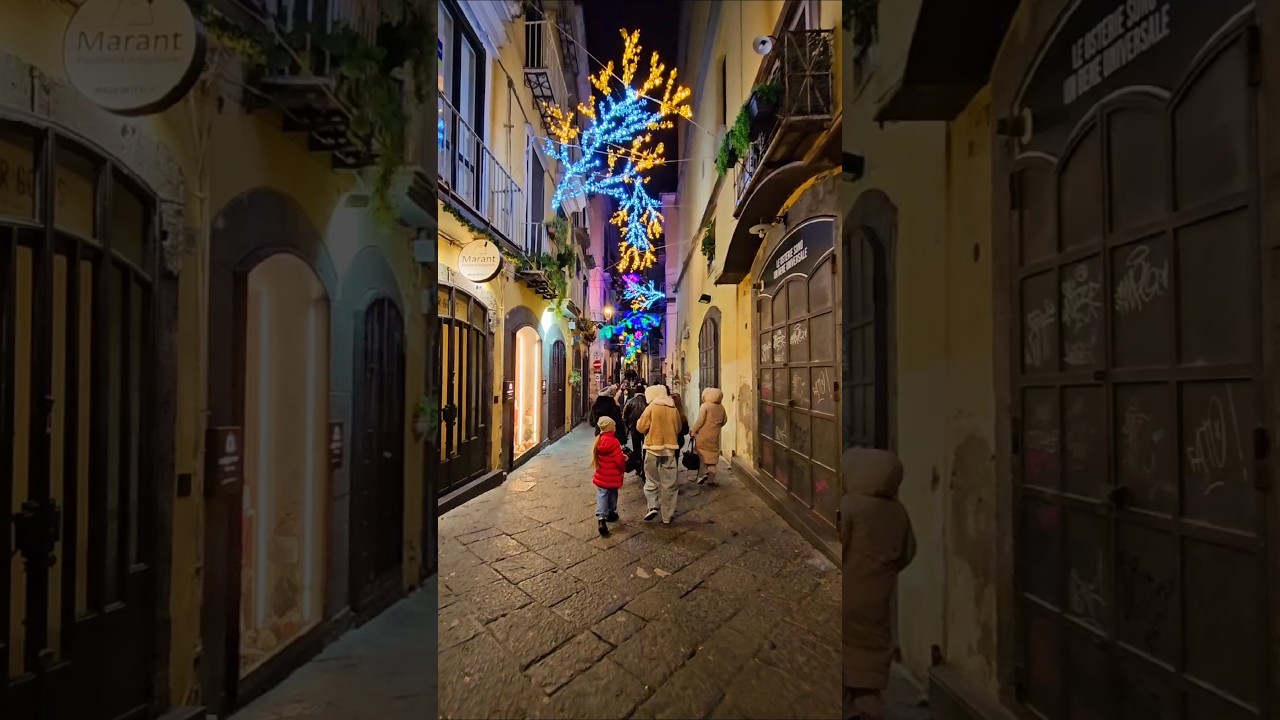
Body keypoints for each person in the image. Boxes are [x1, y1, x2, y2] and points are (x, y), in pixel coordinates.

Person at [841, 447, 916, 720]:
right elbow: (908, 552)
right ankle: (867, 700)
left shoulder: (849, 505)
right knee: (872, 644)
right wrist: (884, 572)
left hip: (848, 592)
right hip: (878, 597)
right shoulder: (898, 511)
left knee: (844, 642)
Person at [636, 382, 683, 524]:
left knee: (651, 479)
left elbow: (641, 427)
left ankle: (652, 506)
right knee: (670, 483)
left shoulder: (651, 408)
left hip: (652, 449)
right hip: (669, 450)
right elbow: (678, 428)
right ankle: (667, 516)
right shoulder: (673, 409)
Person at [590, 416, 627, 536]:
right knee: (613, 493)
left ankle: (601, 518)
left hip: (602, 475)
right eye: (614, 426)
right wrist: (623, 466)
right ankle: (611, 512)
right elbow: (618, 460)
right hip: (613, 475)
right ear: (611, 428)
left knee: (602, 494)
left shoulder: (599, 440)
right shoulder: (614, 442)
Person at [689, 387, 727, 485]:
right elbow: (724, 421)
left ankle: (703, 473)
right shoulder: (721, 408)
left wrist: (693, 430)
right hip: (714, 436)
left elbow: (700, 421)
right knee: (712, 456)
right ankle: (711, 478)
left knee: (701, 454)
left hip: (703, 435)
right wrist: (716, 426)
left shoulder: (705, 406)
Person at [622, 382, 649, 469]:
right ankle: (644, 467)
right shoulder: (648, 402)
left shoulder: (630, 401)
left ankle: (638, 467)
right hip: (646, 429)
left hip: (634, 429)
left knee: (636, 448)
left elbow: (624, 417)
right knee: (646, 449)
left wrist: (628, 427)